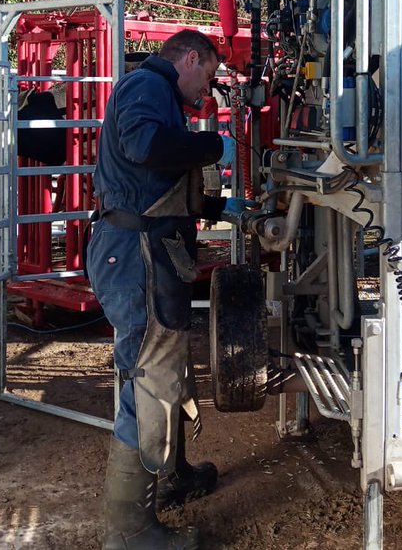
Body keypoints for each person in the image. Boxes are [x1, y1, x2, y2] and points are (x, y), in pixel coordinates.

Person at [86, 29, 256, 550]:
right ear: (188, 58)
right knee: (148, 379)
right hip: (133, 255)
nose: (208, 90)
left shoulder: (161, 95)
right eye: (207, 74)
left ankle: (174, 474)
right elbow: (147, 148)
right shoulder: (147, 86)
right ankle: (130, 532)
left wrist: (215, 209)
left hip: (152, 248)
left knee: (168, 367)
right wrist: (214, 144)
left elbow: (156, 187)